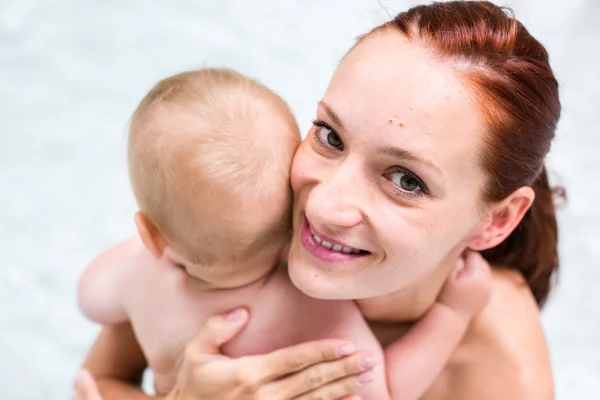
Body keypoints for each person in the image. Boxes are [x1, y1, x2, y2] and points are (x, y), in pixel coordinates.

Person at [75, 1, 561, 399]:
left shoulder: (501, 369)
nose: (323, 206)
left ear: (497, 220)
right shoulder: (244, 227)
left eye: (406, 181)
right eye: (330, 136)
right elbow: (92, 385)